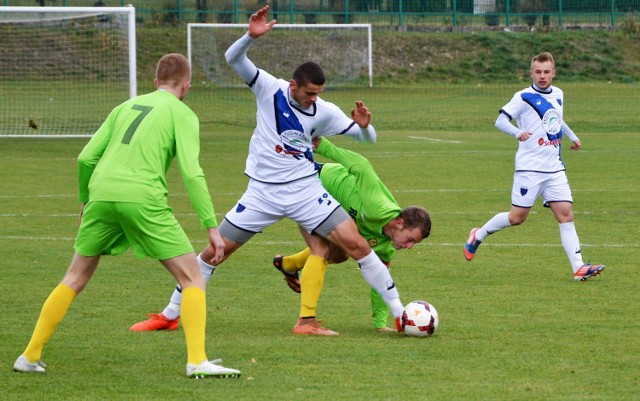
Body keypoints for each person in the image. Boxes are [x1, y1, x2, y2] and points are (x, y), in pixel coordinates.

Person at [130, 5, 406, 336]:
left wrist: (364, 127)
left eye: (318, 94)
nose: (313, 100)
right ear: (294, 85)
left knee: (358, 246)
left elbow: (366, 138)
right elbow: (234, 59)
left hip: (306, 190)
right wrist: (250, 36)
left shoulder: (324, 110)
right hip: (262, 193)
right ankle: (170, 314)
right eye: (308, 93)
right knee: (215, 253)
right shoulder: (269, 89)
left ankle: (400, 314)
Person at [13, 53, 241, 379]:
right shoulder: (183, 113)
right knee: (192, 277)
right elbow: (192, 174)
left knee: (74, 277)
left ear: (155, 82)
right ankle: (197, 361)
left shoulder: (124, 107)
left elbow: (86, 158)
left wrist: (85, 199)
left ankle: (29, 355)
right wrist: (211, 227)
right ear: (186, 85)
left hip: (101, 196)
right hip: (142, 198)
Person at [463, 51, 604, 281]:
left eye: (546, 72)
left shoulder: (558, 94)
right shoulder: (523, 97)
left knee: (566, 214)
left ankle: (579, 268)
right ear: (531, 73)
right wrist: (517, 132)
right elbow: (500, 120)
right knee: (517, 217)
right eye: (538, 72)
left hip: (554, 167)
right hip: (530, 168)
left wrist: (572, 136)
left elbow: (556, 118)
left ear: (553, 73)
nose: (542, 76)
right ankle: (477, 235)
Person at [272, 137, 431, 332]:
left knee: (339, 254)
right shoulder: (378, 206)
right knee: (321, 250)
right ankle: (306, 321)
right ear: (400, 223)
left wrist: (381, 324)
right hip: (319, 182)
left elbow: (380, 280)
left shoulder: (386, 247)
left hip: (334, 208)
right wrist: (324, 146)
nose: (409, 247)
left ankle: (288, 264)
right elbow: (361, 166)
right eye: (410, 239)